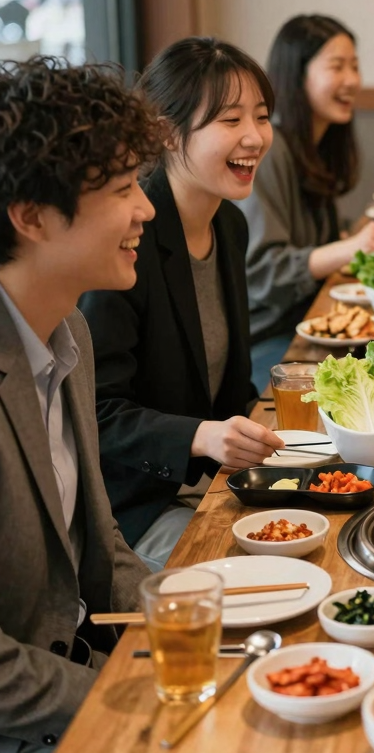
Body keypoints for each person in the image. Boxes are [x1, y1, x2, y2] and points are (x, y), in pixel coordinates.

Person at [0, 57, 162, 753]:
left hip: (79, 675)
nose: (147, 210)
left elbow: (100, 546)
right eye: (125, 189)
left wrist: (187, 614)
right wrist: (116, 695)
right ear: (31, 216)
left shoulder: (68, 330)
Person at [80, 38, 283, 569]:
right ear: (168, 133)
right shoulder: (129, 240)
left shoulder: (228, 224)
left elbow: (230, 387)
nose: (254, 137)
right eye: (230, 119)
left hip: (217, 486)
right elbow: (95, 411)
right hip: (140, 508)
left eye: (261, 117)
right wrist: (200, 436)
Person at [236, 15, 374, 388]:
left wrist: (351, 240)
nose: (352, 80)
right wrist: (353, 246)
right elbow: (264, 271)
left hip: (304, 323)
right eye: (337, 66)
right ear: (297, 74)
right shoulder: (270, 150)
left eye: (355, 66)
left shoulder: (313, 146)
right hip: (270, 341)